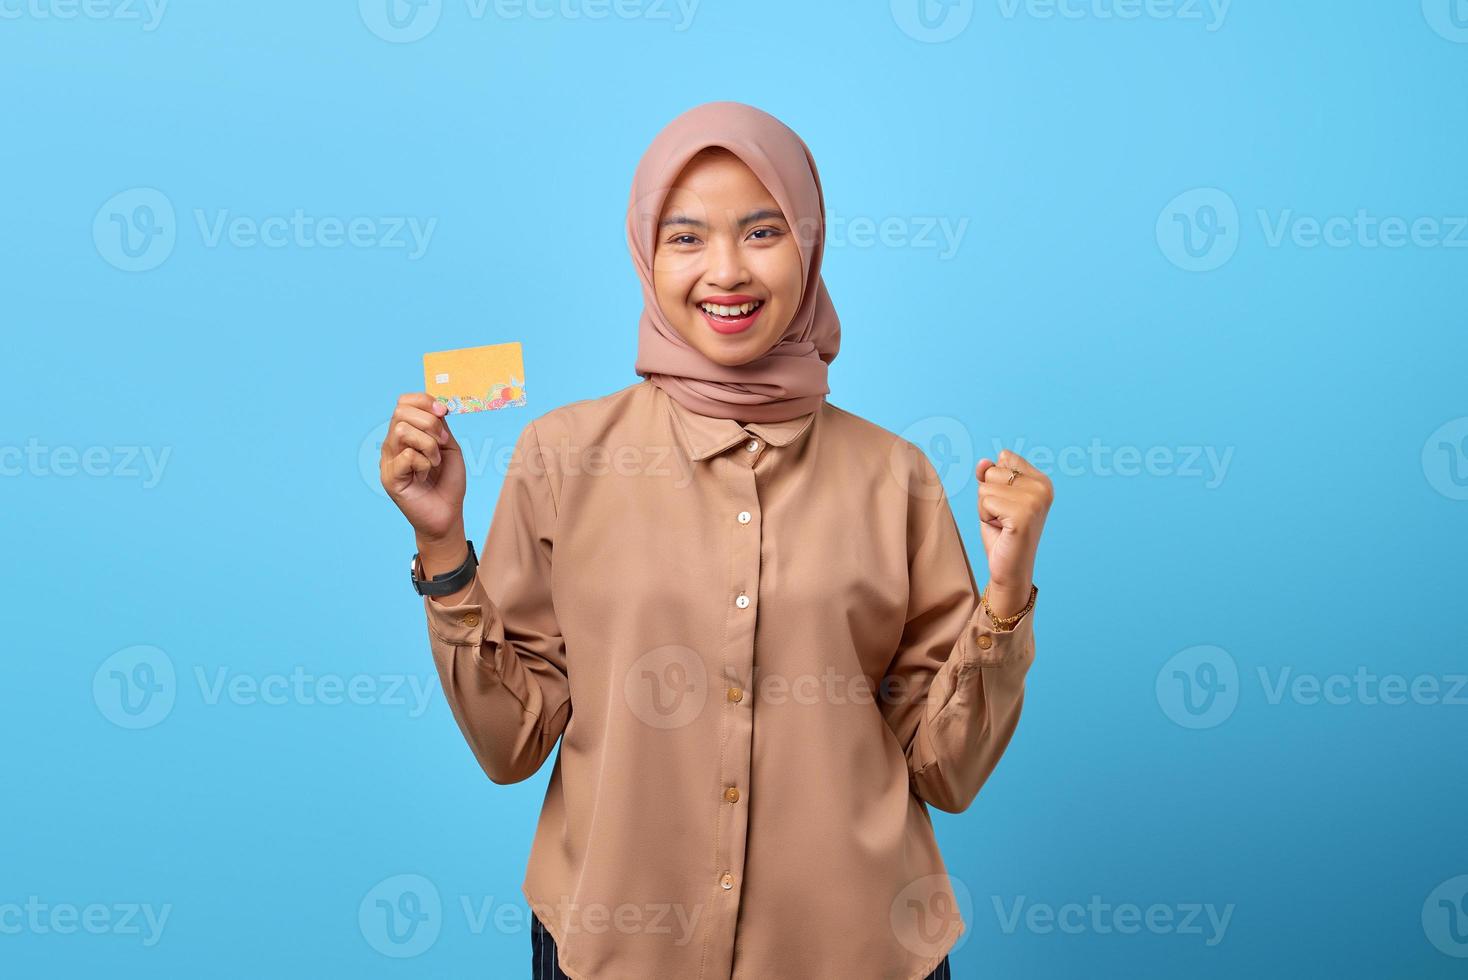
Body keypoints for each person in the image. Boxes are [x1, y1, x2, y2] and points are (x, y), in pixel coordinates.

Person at [380, 100, 1052, 980]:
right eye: (686, 237)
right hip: (618, 951)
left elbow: (946, 772)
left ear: (808, 247)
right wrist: (443, 547)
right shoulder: (561, 457)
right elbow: (512, 745)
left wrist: (1006, 595)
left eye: (763, 231)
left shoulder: (899, 478)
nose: (726, 272)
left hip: (856, 953)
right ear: (645, 253)